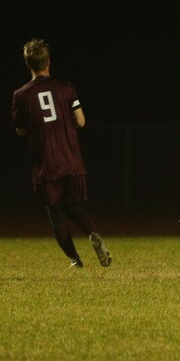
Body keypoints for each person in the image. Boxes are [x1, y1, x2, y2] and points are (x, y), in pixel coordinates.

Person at [11, 39, 112, 269]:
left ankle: (75, 259)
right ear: (48, 61)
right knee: (74, 206)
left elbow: (20, 130)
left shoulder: (21, 95)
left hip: (45, 163)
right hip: (71, 158)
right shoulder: (66, 88)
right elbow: (81, 121)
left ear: (29, 65)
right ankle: (92, 232)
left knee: (55, 213)